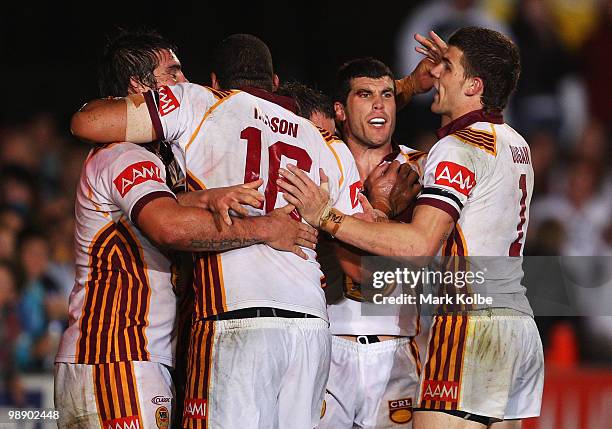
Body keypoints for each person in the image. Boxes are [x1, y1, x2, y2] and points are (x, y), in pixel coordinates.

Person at [70, 33, 363, 429]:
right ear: (275, 82)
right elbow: (359, 262)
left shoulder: (200, 102)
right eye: (174, 72)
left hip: (231, 317)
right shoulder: (326, 142)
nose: (183, 79)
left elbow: (86, 120)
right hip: (310, 324)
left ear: (215, 81)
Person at [278, 27, 544, 428]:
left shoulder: (444, 153)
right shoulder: (515, 143)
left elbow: (411, 248)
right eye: (365, 96)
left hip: (462, 325)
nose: (436, 76)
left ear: (474, 85)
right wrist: (406, 83)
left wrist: (330, 218)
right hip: (515, 322)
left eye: (448, 68)